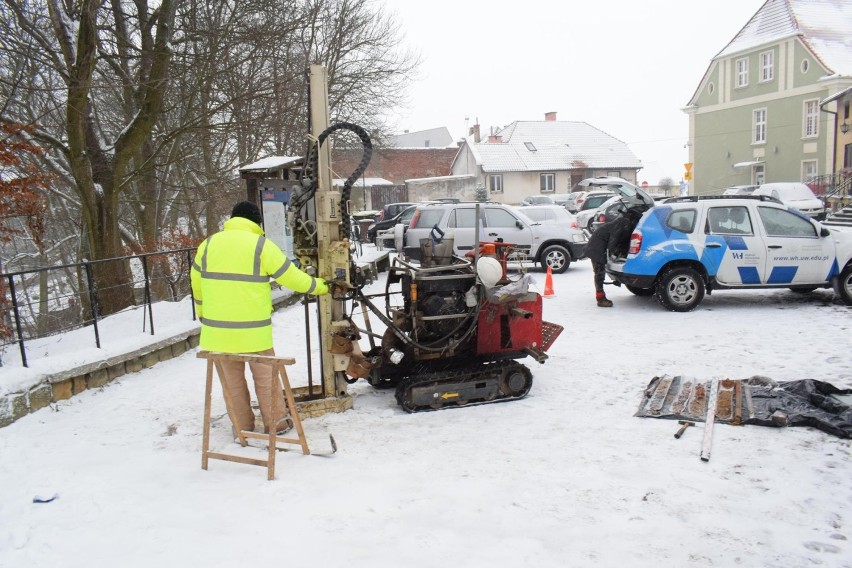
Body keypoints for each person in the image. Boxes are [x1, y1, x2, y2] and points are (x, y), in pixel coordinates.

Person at [191, 201, 329, 435]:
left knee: (232, 384)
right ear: (256, 222)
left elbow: (196, 283)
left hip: (217, 334)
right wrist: (320, 286)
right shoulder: (260, 245)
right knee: (267, 381)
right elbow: (291, 277)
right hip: (253, 333)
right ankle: (277, 425)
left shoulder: (208, 244)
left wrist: (204, 313)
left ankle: (242, 427)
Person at [584, 207, 644, 308]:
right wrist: (618, 253)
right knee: (599, 274)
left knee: (599, 273)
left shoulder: (623, 222)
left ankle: (600, 296)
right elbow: (613, 241)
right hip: (596, 247)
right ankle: (601, 299)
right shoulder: (623, 223)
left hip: (596, 245)